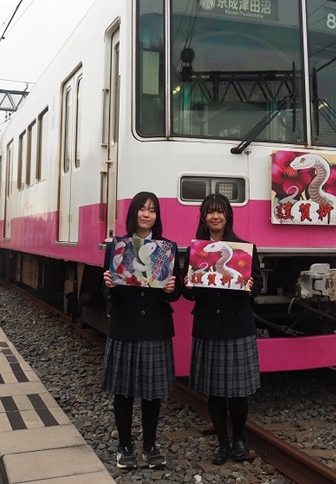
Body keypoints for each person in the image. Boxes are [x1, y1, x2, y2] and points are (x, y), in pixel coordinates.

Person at [101, 191, 181, 470]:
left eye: (152, 210)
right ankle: (125, 447)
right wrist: (110, 287)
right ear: (133, 213)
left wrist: (171, 290)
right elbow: (107, 292)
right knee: (123, 392)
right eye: (142, 209)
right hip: (124, 326)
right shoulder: (118, 246)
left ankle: (150, 445)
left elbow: (175, 292)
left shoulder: (167, 248)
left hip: (155, 327)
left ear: (157, 216)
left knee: (152, 393)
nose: (147, 214)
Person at [182, 193, 262, 465]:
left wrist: (252, 287)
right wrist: (188, 286)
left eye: (220, 211)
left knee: (238, 393)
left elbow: (258, 286)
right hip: (207, 326)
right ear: (203, 217)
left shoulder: (245, 248)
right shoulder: (196, 251)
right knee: (214, 392)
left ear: (228, 215)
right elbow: (188, 294)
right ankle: (222, 442)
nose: (215, 216)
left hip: (237, 326)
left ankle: (239, 437)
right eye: (210, 212)